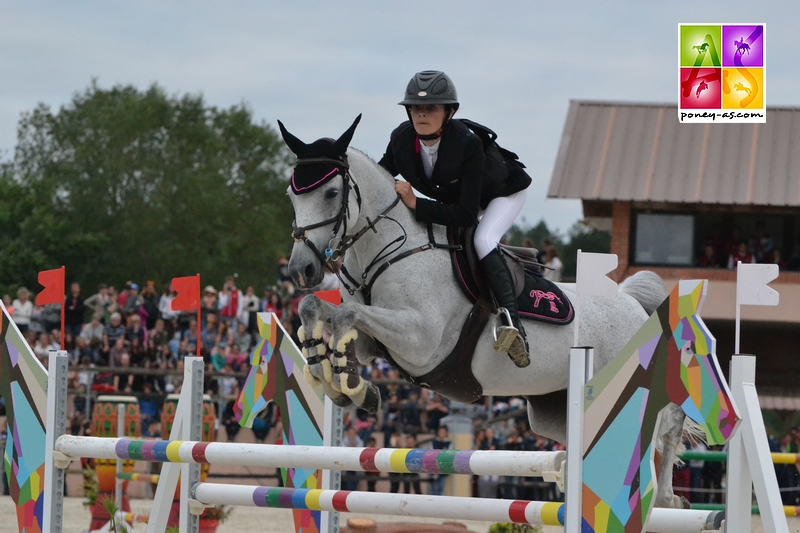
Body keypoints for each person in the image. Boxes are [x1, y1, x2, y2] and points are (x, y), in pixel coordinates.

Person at [379, 70, 532, 367]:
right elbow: (381, 177)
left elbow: (465, 215)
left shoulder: (467, 143)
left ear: (450, 112)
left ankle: (513, 326)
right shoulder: (400, 139)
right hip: (460, 200)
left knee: (483, 239)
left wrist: (415, 203)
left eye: (431, 108)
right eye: (415, 108)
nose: (422, 114)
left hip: (501, 193)